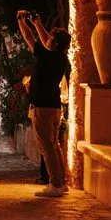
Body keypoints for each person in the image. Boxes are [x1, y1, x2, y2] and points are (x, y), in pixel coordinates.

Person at [17, 10, 71, 198]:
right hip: (55, 106)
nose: (46, 40)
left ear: (54, 44)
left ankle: (54, 184)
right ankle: (61, 181)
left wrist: (21, 21)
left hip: (42, 107)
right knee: (54, 144)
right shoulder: (61, 58)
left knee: (46, 146)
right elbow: (47, 39)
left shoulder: (46, 57)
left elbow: (28, 38)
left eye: (50, 39)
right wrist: (37, 23)